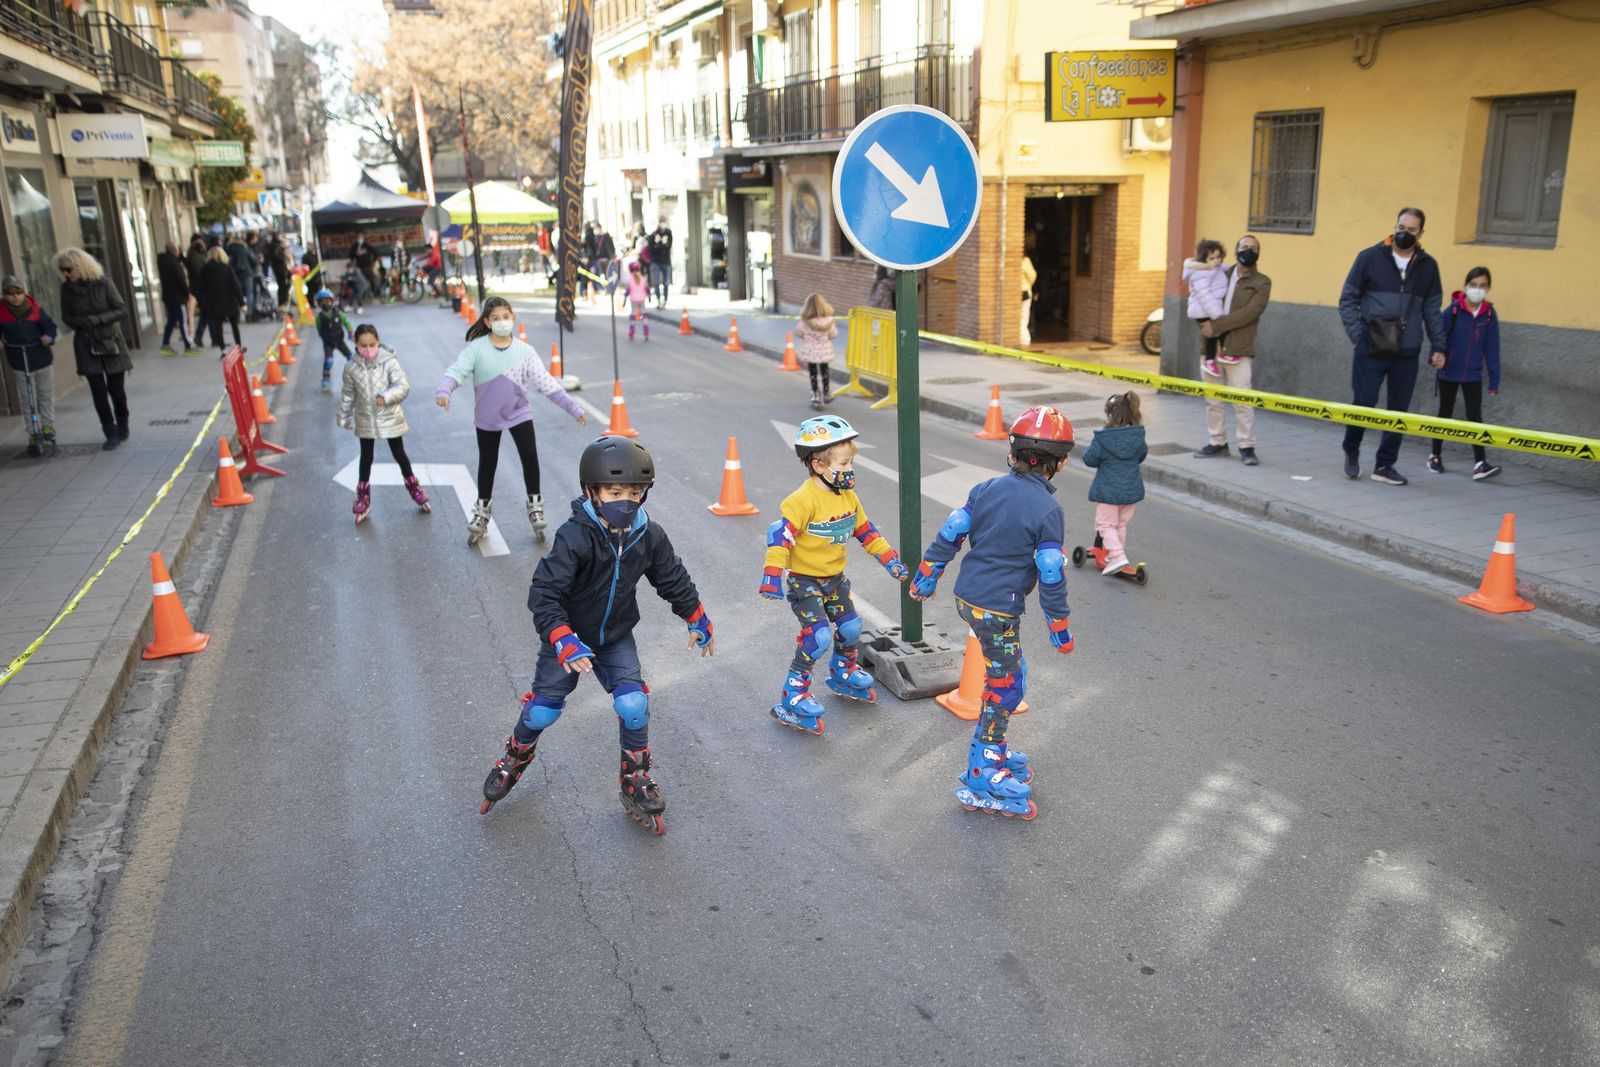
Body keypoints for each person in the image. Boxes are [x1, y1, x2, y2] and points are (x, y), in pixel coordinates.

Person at [479, 435, 715, 834]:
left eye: (634, 493)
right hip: (568, 637)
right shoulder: (576, 536)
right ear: (591, 491)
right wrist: (562, 637)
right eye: (615, 492)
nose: (626, 501)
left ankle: (635, 777)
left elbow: (671, 576)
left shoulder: (648, 534)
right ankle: (514, 756)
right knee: (543, 710)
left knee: (634, 704)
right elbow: (544, 593)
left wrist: (696, 616)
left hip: (615, 637)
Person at [908, 406, 1077, 820]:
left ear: (1011, 453)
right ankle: (983, 768)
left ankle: (995, 747)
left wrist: (926, 577)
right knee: (1007, 686)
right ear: (1061, 463)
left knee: (1008, 674)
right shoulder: (1048, 511)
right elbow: (1050, 571)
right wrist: (1059, 626)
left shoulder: (985, 488)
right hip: (997, 610)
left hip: (968, 599)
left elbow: (951, 532)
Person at [759, 416, 910, 735]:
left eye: (850, 462)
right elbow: (780, 537)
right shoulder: (802, 500)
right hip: (805, 581)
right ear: (818, 465)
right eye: (843, 463)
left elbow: (866, 532)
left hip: (835, 579)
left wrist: (890, 560)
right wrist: (771, 576)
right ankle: (794, 694)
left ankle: (843, 670)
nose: (849, 469)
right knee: (818, 637)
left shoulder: (848, 498)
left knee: (852, 628)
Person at [435, 297, 588, 545]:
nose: (502, 322)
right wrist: (444, 391)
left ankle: (535, 506)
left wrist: (573, 408)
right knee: (488, 464)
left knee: (529, 457)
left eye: (506, 317)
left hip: (519, 413)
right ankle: (482, 512)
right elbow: (456, 371)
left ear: (513, 318)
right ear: (487, 322)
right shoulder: (477, 349)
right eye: (496, 318)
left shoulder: (524, 352)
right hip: (487, 418)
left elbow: (547, 384)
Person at [1337, 207, 1447, 486]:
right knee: (1364, 402)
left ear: (1421, 233)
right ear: (1394, 226)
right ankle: (1351, 449)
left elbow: (1432, 310)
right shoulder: (1369, 258)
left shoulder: (1428, 266)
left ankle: (1385, 465)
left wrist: (1439, 346)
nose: (1404, 233)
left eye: (1411, 230)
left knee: (1398, 411)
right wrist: (1357, 335)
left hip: (1407, 350)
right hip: (1370, 346)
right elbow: (1348, 299)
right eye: (1401, 227)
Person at [1192, 234, 1271, 466]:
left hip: (1239, 348)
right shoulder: (1220, 274)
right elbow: (1198, 296)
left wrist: (1215, 326)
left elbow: (1250, 313)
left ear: (1259, 253)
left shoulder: (1262, 283)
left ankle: (1246, 445)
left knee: (1242, 400)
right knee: (1213, 400)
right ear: (1235, 251)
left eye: (1253, 247)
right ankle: (1217, 442)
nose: (1249, 250)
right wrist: (1202, 325)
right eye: (1244, 246)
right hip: (1211, 348)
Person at [338, 323, 429, 523]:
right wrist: (344, 417)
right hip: (366, 418)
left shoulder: (389, 361)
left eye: (372, 344)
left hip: (389, 417)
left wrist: (386, 396)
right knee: (366, 456)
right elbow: (348, 394)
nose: (368, 349)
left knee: (399, 453)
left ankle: (414, 487)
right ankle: (363, 496)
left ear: (378, 341)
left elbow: (403, 386)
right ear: (356, 344)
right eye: (363, 345)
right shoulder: (351, 368)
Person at [56, 248, 133, 451]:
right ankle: (110, 432)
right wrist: (81, 323)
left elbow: (121, 309)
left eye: (69, 269)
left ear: (81, 266)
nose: (66, 274)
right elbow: (66, 316)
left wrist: (97, 319)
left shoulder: (103, 283)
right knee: (98, 391)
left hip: (110, 341)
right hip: (86, 342)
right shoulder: (67, 289)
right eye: (62, 270)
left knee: (116, 390)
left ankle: (123, 423)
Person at [1429, 266, 1502, 481]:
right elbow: (1438, 337)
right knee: (1445, 413)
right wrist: (1435, 356)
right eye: (1473, 285)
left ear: (1488, 288)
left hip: (1473, 374)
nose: (1477, 289)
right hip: (1449, 371)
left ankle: (1480, 463)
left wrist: (1494, 380)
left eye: (1482, 286)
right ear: (1466, 286)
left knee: (1475, 417)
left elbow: (1492, 348)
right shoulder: (1452, 311)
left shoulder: (1489, 314)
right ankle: (1435, 456)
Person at [1083, 392, 1148, 574]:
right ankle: (1114, 557)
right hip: (1131, 489)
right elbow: (1141, 455)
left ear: (1111, 414)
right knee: (1120, 524)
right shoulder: (1138, 435)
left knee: (1105, 525)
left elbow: (1090, 458)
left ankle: (1118, 557)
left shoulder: (1104, 438)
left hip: (1109, 490)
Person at [1, 275, 58, 455]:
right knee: (26, 399)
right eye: (9, 293)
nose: (14, 297)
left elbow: (49, 327)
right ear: (4, 295)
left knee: (45, 394)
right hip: (19, 360)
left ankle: (48, 426)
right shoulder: (2, 313)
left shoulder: (35, 309)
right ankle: (32, 431)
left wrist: (48, 337)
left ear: (23, 292)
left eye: (18, 292)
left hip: (40, 357)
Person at [1182, 238, 1228, 377]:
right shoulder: (1202, 273)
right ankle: (1214, 358)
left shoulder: (1216, 268)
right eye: (1212, 258)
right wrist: (1216, 314)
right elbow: (1204, 295)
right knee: (1214, 333)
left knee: (1213, 335)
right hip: (1203, 310)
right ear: (1204, 260)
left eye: (1218, 257)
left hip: (1207, 308)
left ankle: (1214, 358)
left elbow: (1226, 268)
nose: (1216, 261)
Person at [197, 246, 244, 355]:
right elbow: (235, 286)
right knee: (234, 325)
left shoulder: (205, 270)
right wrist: (242, 302)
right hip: (229, 301)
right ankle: (238, 346)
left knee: (218, 326)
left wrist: (203, 302)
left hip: (214, 302)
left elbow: (201, 288)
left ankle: (222, 349)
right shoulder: (227, 268)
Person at [795, 293, 838, 410]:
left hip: (810, 352)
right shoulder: (829, 321)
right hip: (824, 351)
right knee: (825, 371)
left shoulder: (805, 321)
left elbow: (798, 333)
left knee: (813, 373)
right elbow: (833, 334)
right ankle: (826, 392)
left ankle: (815, 395)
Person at [156, 241, 197, 356]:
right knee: (183, 321)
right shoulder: (174, 263)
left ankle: (165, 344)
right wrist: (187, 294)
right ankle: (188, 346)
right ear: (175, 250)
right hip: (178, 297)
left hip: (168, 296)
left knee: (172, 320)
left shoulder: (163, 262)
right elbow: (181, 280)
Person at [314, 287, 355, 393]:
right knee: (329, 361)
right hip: (328, 342)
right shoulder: (319, 318)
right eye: (322, 302)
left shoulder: (338, 313)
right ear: (319, 304)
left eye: (327, 301)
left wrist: (350, 332)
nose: (325, 304)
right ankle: (325, 379)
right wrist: (324, 337)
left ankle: (355, 377)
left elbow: (346, 322)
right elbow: (319, 329)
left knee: (350, 357)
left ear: (331, 301)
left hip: (339, 340)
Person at [225, 231, 257, 313]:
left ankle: (237, 314)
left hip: (234, 275)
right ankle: (249, 314)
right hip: (247, 274)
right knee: (249, 294)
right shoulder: (244, 249)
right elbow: (253, 262)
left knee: (237, 294)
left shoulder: (228, 250)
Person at [647, 219, 673, 307]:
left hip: (666, 261)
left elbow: (668, 247)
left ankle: (665, 300)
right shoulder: (653, 235)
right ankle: (658, 299)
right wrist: (659, 244)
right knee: (656, 281)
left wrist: (660, 245)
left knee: (666, 282)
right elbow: (650, 248)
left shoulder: (668, 234)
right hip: (655, 261)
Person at [184, 234, 207, 331]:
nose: (202, 243)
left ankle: (198, 334)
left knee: (205, 312)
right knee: (205, 311)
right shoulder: (193, 254)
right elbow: (198, 272)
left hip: (198, 287)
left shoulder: (198, 253)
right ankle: (195, 333)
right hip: (198, 287)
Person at [348, 236, 376, 314]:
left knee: (371, 280)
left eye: (361, 238)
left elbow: (375, 253)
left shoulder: (367, 246)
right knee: (358, 286)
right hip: (360, 267)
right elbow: (351, 256)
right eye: (358, 238)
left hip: (367, 267)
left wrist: (373, 262)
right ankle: (359, 298)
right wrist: (352, 264)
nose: (360, 240)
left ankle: (373, 292)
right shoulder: (355, 247)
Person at [624, 261, 650, 342]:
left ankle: (632, 333)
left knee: (633, 316)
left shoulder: (629, 279)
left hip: (634, 300)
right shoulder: (642, 278)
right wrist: (649, 297)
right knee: (644, 315)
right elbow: (647, 289)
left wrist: (624, 301)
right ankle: (646, 333)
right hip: (642, 299)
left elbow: (627, 291)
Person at [1019, 249, 1037, 346]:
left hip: (1019, 292)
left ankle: (1023, 341)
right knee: (1023, 318)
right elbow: (1032, 276)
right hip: (1025, 291)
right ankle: (1025, 341)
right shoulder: (1025, 261)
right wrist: (1028, 284)